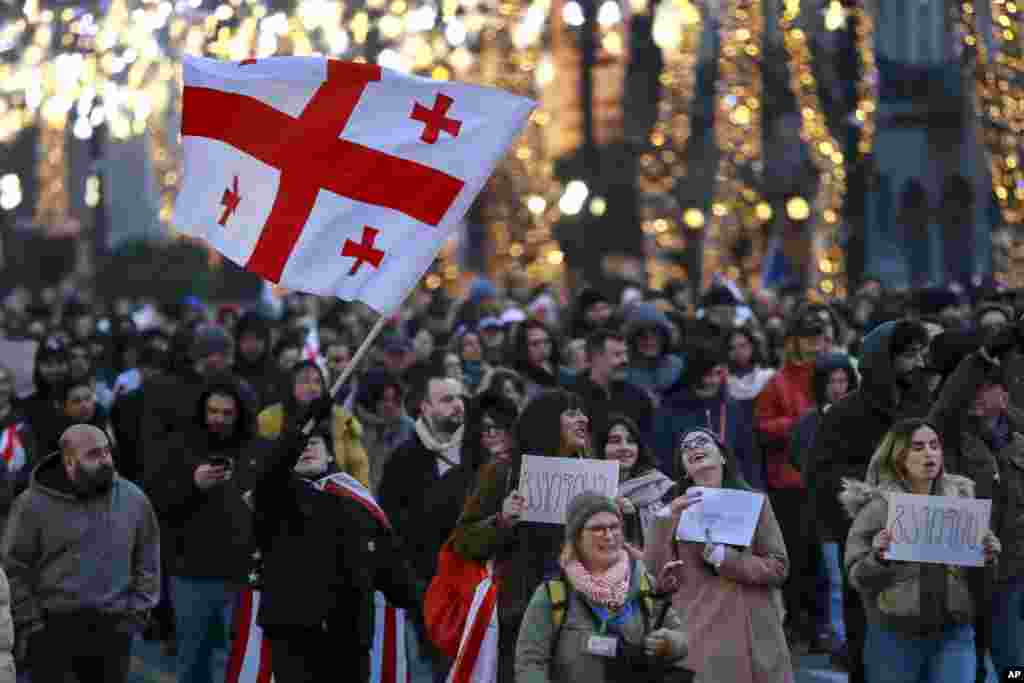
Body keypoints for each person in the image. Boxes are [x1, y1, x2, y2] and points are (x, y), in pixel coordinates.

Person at [249, 404, 420, 682]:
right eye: (301, 444)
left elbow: (388, 563)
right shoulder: (276, 494)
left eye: (314, 442)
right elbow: (271, 472)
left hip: (349, 635)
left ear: (330, 452)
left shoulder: (357, 499)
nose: (306, 448)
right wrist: (300, 430)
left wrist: (421, 606)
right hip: (296, 633)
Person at [805, 319, 931, 683]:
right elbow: (822, 477)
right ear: (884, 360)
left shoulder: (922, 405)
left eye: (921, 353)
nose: (919, 362)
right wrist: (872, 503)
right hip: (869, 545)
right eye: (909, 354)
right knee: (869, 639)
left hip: (923, 541)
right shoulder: (845, 414)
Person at [841, 419, 1001, 683]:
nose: (929, 453)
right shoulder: (879, 508)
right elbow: (856, 577)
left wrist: (988, 557)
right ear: (899, 457)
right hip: (895, 638)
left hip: (954, 634)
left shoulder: (961, 502)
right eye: (918, 447)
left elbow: (980, 580)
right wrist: (878, 558)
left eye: (934, 446)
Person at [453, 389, 592, 682]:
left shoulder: (594, 476)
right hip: (519, 620)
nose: (583, 419)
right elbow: (463, 540)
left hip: (580, 619)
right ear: (546, 422)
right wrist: (501, 520)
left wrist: (615, 517)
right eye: (571, 413)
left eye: (582, 412)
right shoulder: (503, 472)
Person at [3, 424, 160, 683]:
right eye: (93, 455)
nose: (105, 460)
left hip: (113, 627)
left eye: (107, 452)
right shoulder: (32, 504)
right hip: (52, 628)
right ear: (69, 461)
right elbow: (14, 567)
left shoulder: (133, 499)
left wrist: (136, 615)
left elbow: (148, 558)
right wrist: (32, 626)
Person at [645, 427, 792, 682]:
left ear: (722, 456)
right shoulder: (672, 511)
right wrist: (664, 519)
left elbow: (778, 567)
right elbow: (654, 573)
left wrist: (726, 559)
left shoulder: (755, 502)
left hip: (753, 631)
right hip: (698, 630)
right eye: (685, 447)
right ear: (684, 469)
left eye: (702, 441)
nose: (693, 447)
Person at [515, 492, 689, 683]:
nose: (609, 535)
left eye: (614, 526)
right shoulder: (554, 593)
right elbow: (530, 662)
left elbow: (681, 640)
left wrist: (668, 643)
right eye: (598, 528)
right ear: (577, 537)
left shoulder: (643, 582)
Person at [147, 380, 256, 683]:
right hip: (192, 574)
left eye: (226, 412)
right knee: (193, 661)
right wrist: (192, 485)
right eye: (212, 411)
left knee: (235, 660)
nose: (218, 419)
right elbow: (158, 502)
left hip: (241, 573)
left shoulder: (252, 451)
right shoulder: (178, 448)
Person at [927, 338, 1024, 675]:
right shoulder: (949, 439)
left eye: (986, 388)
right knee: (972, 662)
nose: (975, 395)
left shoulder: (1018, 437)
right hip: (966, 567)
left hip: (1013, 569)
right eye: (973, 388)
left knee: (1013, 662)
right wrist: (983, 355)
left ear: (1005, 395)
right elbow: (945, 406)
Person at [755, 309, 827, 646]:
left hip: (819, 480)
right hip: (789, 482)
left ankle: (818, 624)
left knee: (820, 559)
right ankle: (798, 623)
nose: (814, 344)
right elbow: (763, 428)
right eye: (808, 337)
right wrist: (800, 424)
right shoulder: (777, 383)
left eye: (818, 336)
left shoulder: (828, 376)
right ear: (793, 341)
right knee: (796, 557)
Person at [789, 352, 859, 658]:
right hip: (825, 511)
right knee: (833, 577)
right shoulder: (809, 421)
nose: (838, 387)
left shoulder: (859, 414)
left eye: (843, 380)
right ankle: (838, 636)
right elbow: (799, 458)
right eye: (832, 381)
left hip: (857, 509)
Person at [652, 341, 761, 489]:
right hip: (688, 493)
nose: (714, 381)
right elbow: (664, 457)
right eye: (708, 375)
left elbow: (748, 457)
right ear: (695, 375)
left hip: (733, 493)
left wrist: (755, 492)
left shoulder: (732, 408)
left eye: (718, 373)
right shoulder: (671, 409)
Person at [257, 359, 369, 486]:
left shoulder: (341, 419)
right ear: (290, 385)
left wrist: (360, 500)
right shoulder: (270, 419)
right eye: (304, 381)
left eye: (317, 382)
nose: (313, 388)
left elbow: (358, 466)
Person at [595, 414, 673, 547]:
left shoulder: (660, 488)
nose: (624, 447)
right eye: (615, 441)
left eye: (631, 441)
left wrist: (630, 517)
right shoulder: (590, 492)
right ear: (602, 448)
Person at [568, 329, 654, 441]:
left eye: (625, 354)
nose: (625, 360)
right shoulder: (571, 396)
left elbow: (646, 443)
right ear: (596, 357)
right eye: (617, 355)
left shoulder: (639, 397)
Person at [353, 368, 415, 494]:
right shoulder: (351, 428)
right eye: (384, 400)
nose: (390, 405)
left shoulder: (409, 428)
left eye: (394, 399)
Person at [623, 302, 684, 400]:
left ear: (664, 337)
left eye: (655, 333)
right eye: (641, 334)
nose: (649, 341)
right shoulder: (623, 374)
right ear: (632, 339)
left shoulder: (678, 367)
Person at [232, 310, 280, 409]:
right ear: (237, 342)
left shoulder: (279, 375)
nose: (251, 345)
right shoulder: (229, 375)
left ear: (266, 341)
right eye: (246, 339)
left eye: (257, 338)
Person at [511, 320, 568, 400]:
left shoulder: (566, 375)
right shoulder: (516, 379)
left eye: (546, 341)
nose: (542, 347)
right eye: (535, 343)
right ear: (522, 347)